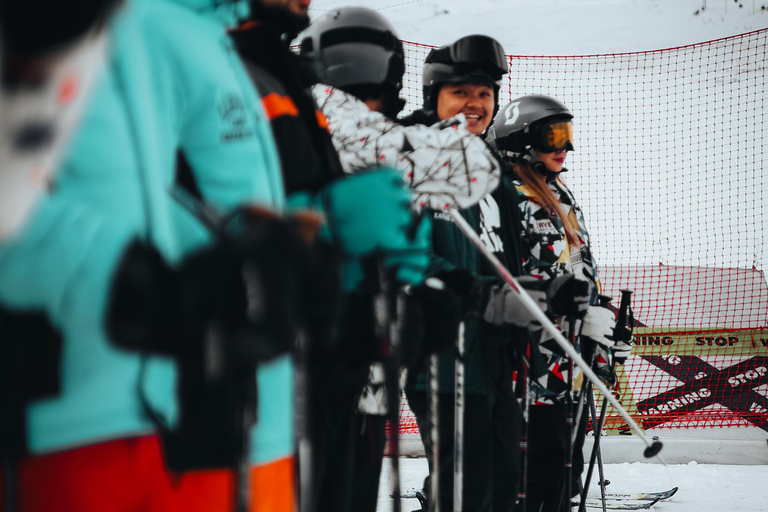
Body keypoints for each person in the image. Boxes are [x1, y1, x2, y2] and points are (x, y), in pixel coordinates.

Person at [299, 10, 514, 512]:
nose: (475, 105)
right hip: (319, 364)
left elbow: (412, 254)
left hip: (373, 367)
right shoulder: (336, 129)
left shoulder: (393, 143)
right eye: (462, 92)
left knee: (354, 482)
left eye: (485, 94)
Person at [487, 94, 616, 512]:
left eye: (567, 135)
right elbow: (506, 278)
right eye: (552, 136)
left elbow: (579, 264)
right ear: (522, 140)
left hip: (571, 355)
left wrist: (601, 321)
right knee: (537, 464)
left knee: (566, 462)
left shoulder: (558, 192)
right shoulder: (508, 197)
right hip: (532, 361)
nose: (564, 147)